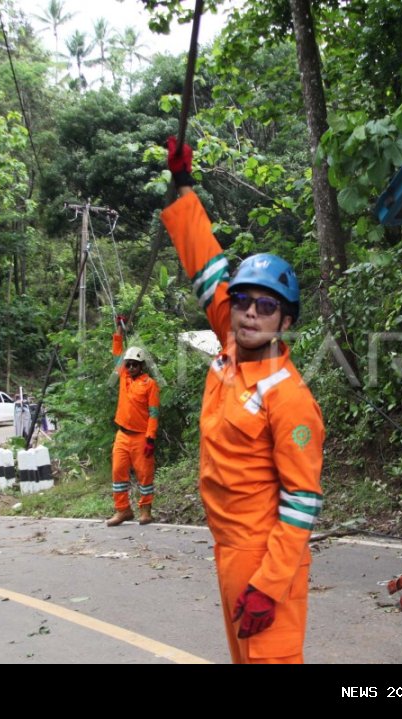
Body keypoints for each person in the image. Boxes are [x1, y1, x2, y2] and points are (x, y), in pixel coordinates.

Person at [161, 136, 325, 664]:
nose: (251, 313)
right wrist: (182, 184)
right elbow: (204, 260)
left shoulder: (290, 398)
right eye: (244, 301)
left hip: (263, 557)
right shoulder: (231, 345)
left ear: (286, 322)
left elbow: (302, 502)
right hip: (227, 550)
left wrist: (270, 585)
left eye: (266, 306)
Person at [107, 321, 160, 526]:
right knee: (118, 473)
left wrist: (150, 438)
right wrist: (120, 330)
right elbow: (117, 350)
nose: (130, 367)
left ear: (141, 366)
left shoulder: (150, 385)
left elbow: (154, 413)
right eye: (127, 364)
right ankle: (123, 511)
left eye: (134, 364)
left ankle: (145, 511)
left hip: (141, 437)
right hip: (122, 435)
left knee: (144, 476)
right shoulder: (124, 378)